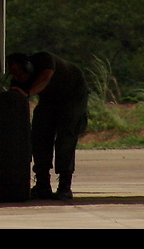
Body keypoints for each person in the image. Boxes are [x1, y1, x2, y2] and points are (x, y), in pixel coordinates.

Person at [7, 51, 88, 201]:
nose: (17, 79)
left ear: (28, 67)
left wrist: (28, 92)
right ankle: (42, 184)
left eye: (19, 74)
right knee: (39, 135)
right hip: (49, 99)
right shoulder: (19, 81)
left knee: (65, 137)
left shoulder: (44, 60)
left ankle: (65, 186)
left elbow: (45, 78)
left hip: (73, 94)